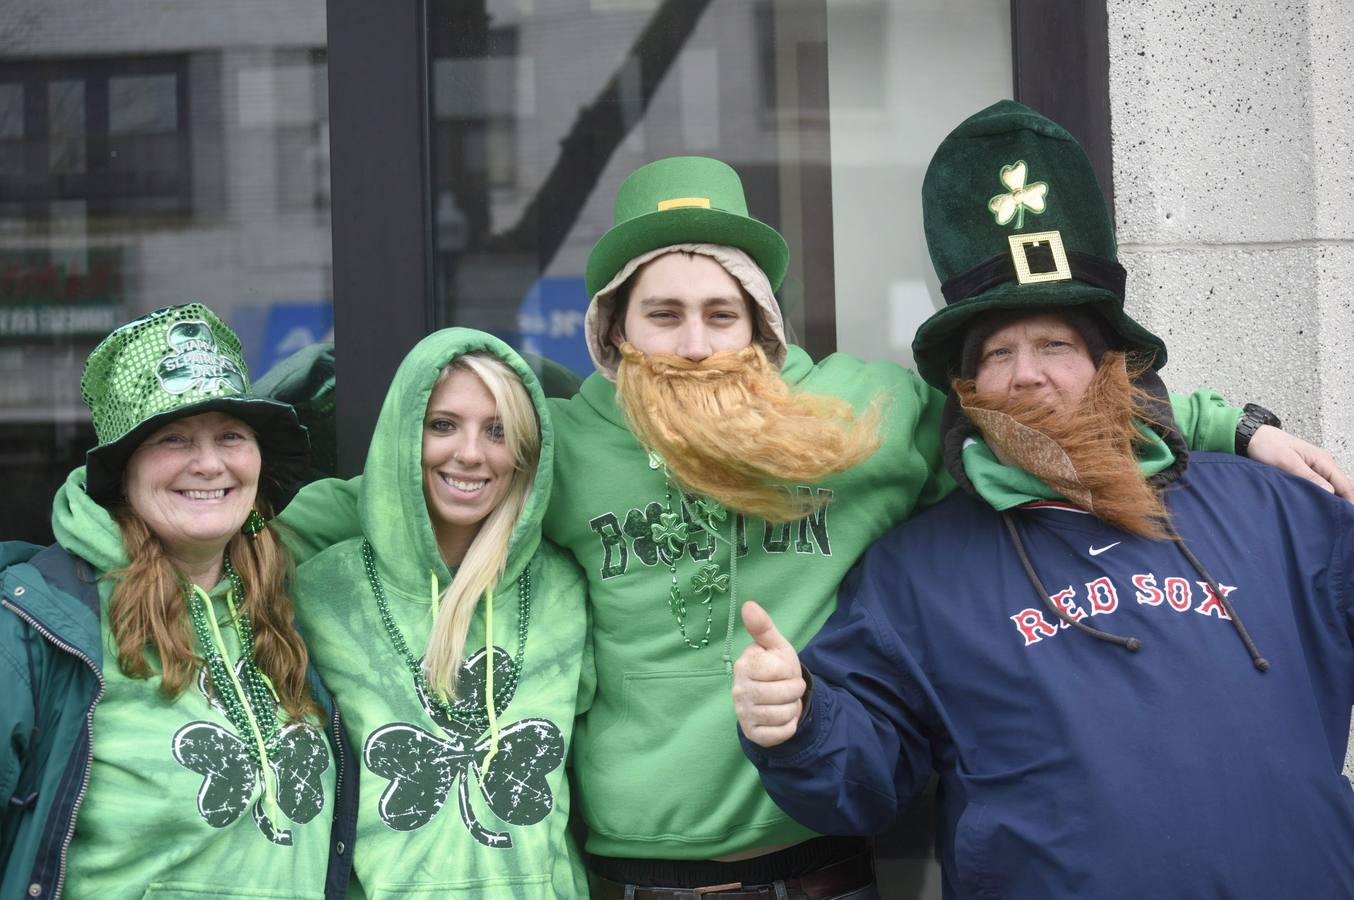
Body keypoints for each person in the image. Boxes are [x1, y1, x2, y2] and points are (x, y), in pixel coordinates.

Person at [536, 152, 1352, 898]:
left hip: (811, 861)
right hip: (631, 858)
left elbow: (1067, 418)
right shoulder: (563, 447)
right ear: (615, 330)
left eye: (723, 314)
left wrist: (1236, 426)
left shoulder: (862, 413)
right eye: (663, 314)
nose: (696, 345)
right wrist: (798, 721)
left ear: (763, 328)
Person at [0, 303, 355, 900]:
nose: (210, 463)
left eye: (231, 436)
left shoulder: (286, 605)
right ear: (123, 471)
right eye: (173, 438)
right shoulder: (40, 628)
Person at [287, 328, 590, 898]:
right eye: (442, 425)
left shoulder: (566, 590)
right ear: (404, 435)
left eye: (498, 431)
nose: (471, 453)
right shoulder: (323, 592)